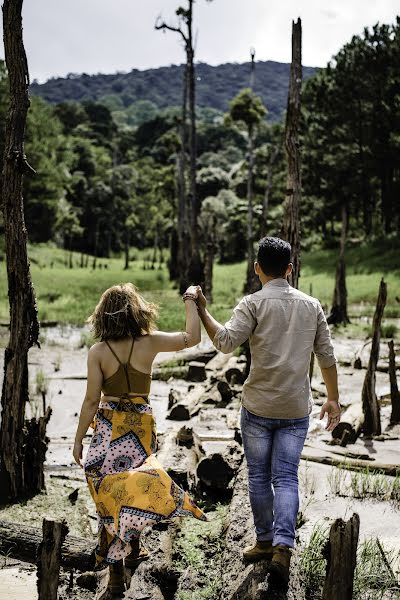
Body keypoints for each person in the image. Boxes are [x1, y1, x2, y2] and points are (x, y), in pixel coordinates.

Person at [196, 236, 340, 588]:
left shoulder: (253, 303)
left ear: (257, 268)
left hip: (258, 406)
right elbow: (327, 356)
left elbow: (225, 342)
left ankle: (263, 541)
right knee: (287, 477)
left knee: (259, 477)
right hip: (295, 408)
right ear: (290, 269)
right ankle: (283, 548)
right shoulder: (311, 305)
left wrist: (201, 309)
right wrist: (333, 398)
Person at [73, 282, 207, 595]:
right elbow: (192, 338)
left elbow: (92, 400)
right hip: (141, 426)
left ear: (103, 316)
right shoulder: (149, 343)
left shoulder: (98, 352)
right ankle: (132, 548)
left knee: (110, 495)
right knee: (133, 489)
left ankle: (116, 573)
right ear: (137, 312)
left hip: (109, 427)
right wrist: (190, 300)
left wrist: (79, 438)